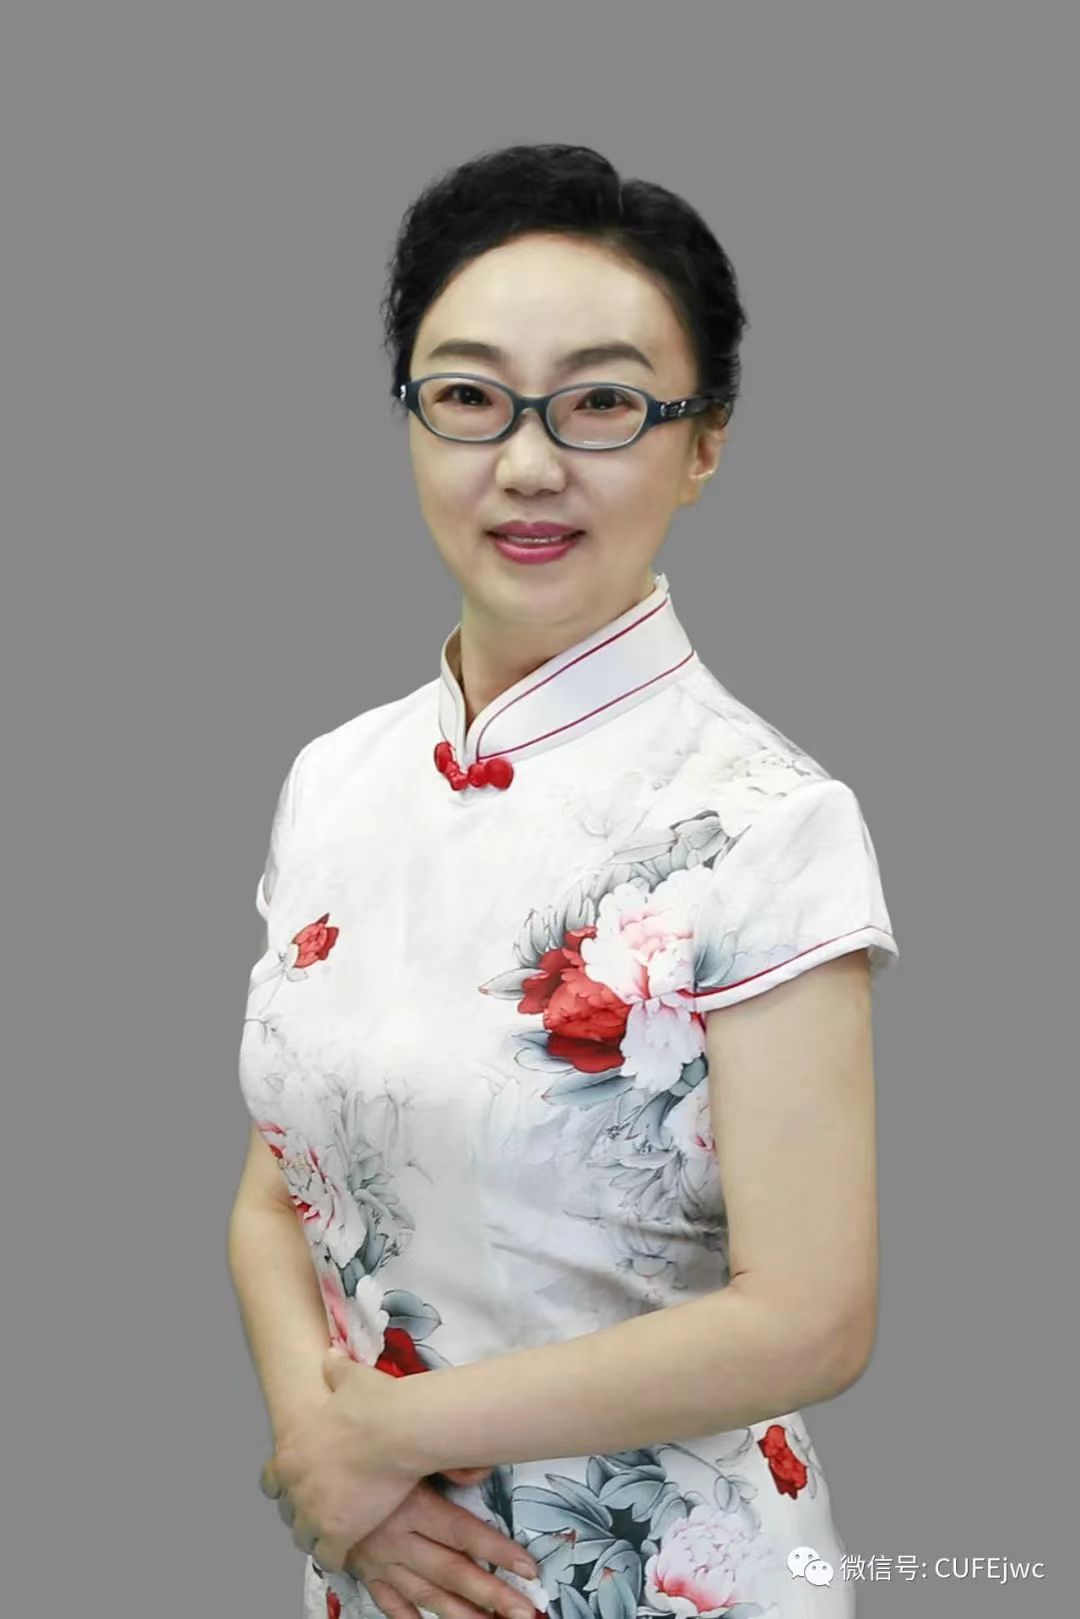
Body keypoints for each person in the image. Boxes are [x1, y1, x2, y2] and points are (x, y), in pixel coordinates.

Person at [229, 143, 899, 1619]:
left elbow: (811, 1319)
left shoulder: (767, 822)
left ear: (703, 442)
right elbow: (279, 1192)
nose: (528, 464)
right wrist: (327, 1465)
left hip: (667, 1581)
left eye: (601, 403)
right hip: (378, 1570)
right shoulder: (336, 779)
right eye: (471, 397)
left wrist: (382, 1438)